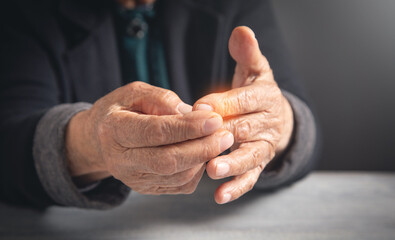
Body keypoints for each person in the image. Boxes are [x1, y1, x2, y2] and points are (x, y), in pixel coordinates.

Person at [0, 0, 319, 209]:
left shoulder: (237, 4)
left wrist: (277, 125)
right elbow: (9, 143)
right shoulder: (27, 11)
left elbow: (298, 123)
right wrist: (87, 143)